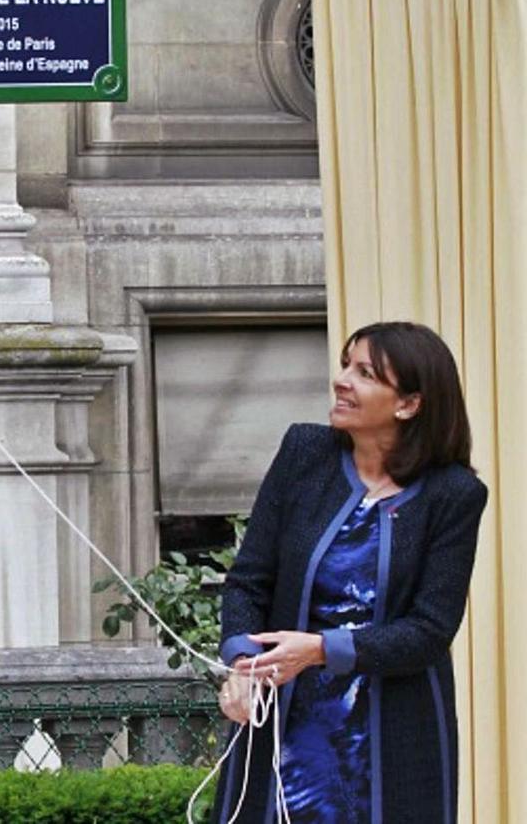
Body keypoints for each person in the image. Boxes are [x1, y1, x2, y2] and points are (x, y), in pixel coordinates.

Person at [213, 321, 487, 824]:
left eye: (364, 373)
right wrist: (242, 663)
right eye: (346, 365)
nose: (342, 380)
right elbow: (248, 582)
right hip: (283, 724)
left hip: (394, 735)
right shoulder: (303, 453)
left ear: (409, 404)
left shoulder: (454, 495)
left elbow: (429, 631)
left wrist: (319, 651)